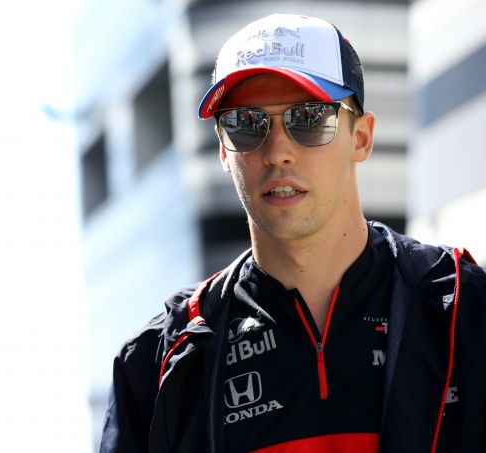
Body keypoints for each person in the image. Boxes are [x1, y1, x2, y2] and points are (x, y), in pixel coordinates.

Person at [99, 13, 486, 453]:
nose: (277, 152)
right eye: (246, 123)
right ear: (224, 150)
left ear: (361, 137)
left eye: (309, 118)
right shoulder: (160, 362)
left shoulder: (463, 311)